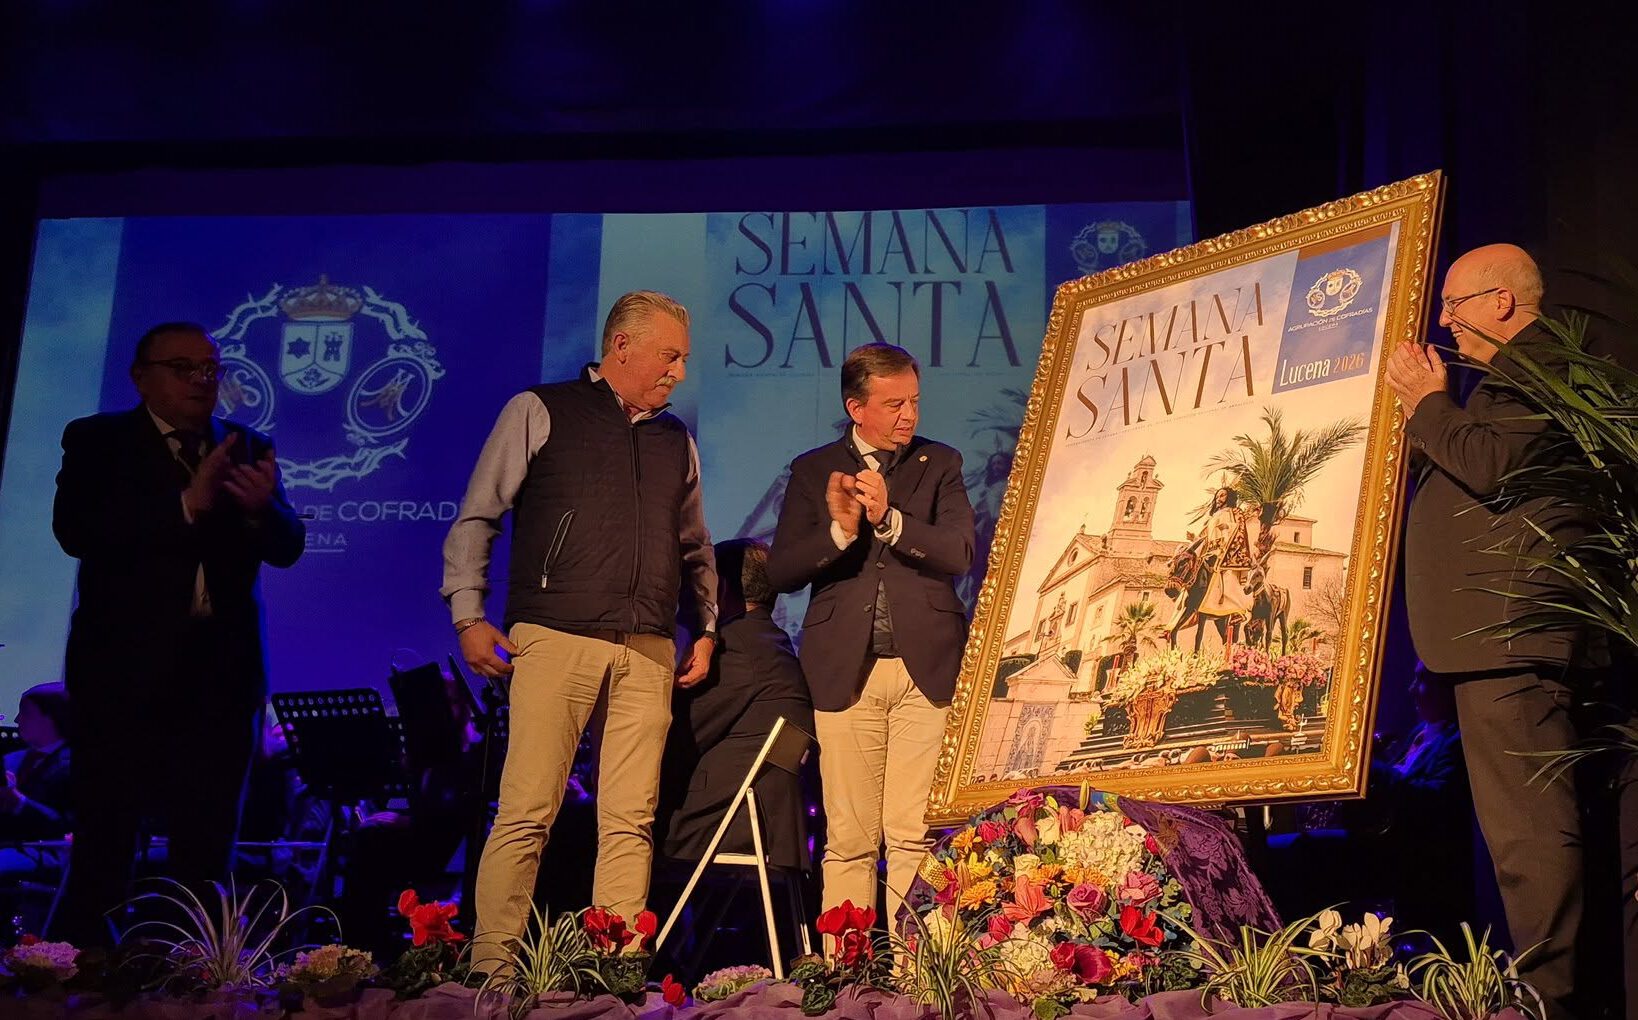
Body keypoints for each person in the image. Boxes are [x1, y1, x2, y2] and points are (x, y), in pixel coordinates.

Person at [442, 291, 717, 971]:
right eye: (670, 355)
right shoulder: (541, 410)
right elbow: (479, 514)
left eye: (683, 358)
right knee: (527, 810)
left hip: (647, 648)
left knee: (630, 820)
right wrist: (468, 614)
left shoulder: (674, 439)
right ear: (622, 346)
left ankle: (614, 970)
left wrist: (705, 627)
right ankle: (492, 967)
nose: (680, 371)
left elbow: (695, 546)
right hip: (556, 635)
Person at [1386, 243, 1593, 1019]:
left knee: (1530, 837)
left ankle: (1549, 1002)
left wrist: (1426, 402)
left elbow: (1491, 464)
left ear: (1502, 302)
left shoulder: (1544, 366)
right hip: (1487, 641)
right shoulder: (1503, 380)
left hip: (1512, 637)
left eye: (1454, 304)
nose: (1444, 321)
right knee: (1512, 839)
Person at [51, 322, 304, 944]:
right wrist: (187, 505)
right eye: (183, 368)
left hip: (222, 675)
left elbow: (288, 546)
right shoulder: (97, 440)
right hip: (123, 674)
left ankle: (194, 969)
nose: (201, 380)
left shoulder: (247, 444)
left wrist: (262, 511)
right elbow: (77, 531)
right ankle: (84, 969)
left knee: (207, 840)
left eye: (210, 368)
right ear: (141, 377)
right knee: (107, 834)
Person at [766, 342, 974, 928]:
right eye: (894, 404)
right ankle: (847, 969)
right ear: (856, 408)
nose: (909, 415)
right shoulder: (813, 469)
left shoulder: (940, 462)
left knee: (914, 833)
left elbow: (959, 551)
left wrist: (890, 520)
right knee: (850, 838)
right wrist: (839, 533)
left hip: (925, 669)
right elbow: (781, 572)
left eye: (914, 401)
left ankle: (920, 969)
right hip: (844, 672)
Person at [656, 538, 814, 872]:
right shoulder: (776, 644)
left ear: (721, 590)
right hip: (768, 826)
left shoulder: (736, 647)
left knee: (602, 826)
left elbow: (679, 739)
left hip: (720, 825)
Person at [0, 683, 73, 842]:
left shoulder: (73, 766)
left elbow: (66, 825)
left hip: (38, 850)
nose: (16, 719)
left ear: (51, 717)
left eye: (25, 712)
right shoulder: (11, 759)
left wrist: (18, 802)